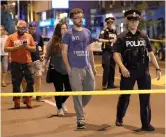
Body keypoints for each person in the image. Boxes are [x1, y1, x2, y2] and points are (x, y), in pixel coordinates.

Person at [113, 10, 161, 131]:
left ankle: (145, 124)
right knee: (125, 96)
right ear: (127, 21)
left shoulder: (144, 37)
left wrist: (157, 68)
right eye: (131, 20)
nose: (134, 22)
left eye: (136, 20)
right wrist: (122, 67)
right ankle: (119, 116)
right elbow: (116, 54)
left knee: (145, 98)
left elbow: (151, 53)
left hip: (143, 71)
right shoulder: (122, 37)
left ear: (138, 21)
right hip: (128, 71)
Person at [62, 8, 96, 129]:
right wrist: (68, 68)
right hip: (74, 68)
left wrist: (92, 66)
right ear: (72, 20)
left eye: (81, 17)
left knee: (90, 89)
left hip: (87, 67)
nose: (80, 19)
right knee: (77, 94)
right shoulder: (68, 34)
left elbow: (90, 50)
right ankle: (80, 119)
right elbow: (64, 52)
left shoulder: (87, 32)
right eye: (77, 17)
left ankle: (79, 107)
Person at [4, 20, 36, 109]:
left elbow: (34, 48)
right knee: (16, 82)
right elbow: (6, 49)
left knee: (30, 81)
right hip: (16, 63)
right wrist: (17, 47)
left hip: (28, 62)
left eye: (24, 27)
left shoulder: (29, 36)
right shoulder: (11, 37)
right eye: (20, 27)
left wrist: (27, 47)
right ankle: (16, 100)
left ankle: (27, 98)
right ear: (17, 28)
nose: (22, 29)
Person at [43, 22, 72, 116]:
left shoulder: (70, 40)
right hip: (56, 69)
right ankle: (59, 108)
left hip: (67, 68)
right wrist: (44, 65)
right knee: (59, 89)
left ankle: (62, 101)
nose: (65, 30)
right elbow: (47, 55)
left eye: (66, 28)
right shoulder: (53, 41)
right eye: (62, 28)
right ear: (58, 30)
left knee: (70, 88)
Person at [22, 22, 45, 101]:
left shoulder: (38, 36)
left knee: (38, 76)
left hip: (37, 59)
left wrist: (43, 53)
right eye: (31, 28)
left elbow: (42, 45)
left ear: (36, 28)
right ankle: (25, 94)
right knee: (26, 78)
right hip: (27, 59)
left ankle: (38, 94)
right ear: (28, 28)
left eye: (34, 28)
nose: (32, 29)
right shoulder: (25, 36)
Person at [99, 17, 118, 90]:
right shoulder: (104, 31)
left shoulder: (114, 31)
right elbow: (100, 39)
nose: (110, 24)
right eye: (109, 23)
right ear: (106, 23)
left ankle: (111, 84)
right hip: (106, 51)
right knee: (106, 67)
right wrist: (109, 41)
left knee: (112, 67)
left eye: (111, 22)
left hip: (113, 51)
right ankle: (104, 84)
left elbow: (116, 39)